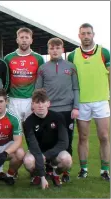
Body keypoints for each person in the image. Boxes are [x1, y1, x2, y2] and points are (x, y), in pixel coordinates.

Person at [67, 23, 110, 180]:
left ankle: (105, 170)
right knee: (83, 137)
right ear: (79, 36)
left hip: (101, 101)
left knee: (104, 136)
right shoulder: (72, 55)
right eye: (83, 33)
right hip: (82, 102)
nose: (86, 36)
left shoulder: (104, 52)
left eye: (88, 33)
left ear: (93, 34)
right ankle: (83, 169)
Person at [2, 27, 44, 179]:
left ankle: (36, 169)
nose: (24, 40)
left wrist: (36, 101)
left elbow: (40, 82)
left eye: (27, 37)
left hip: (30, 101)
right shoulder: (9, 58)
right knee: (14, 136)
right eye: (22, 37)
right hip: (13, 100)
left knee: (34, 135)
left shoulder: (38, 58)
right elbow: (6, 81)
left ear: (31, 40)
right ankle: (14, 170)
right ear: (17, 39)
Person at [35, 37, 79, 182]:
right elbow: (38, 90)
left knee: (67, 140)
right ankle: (48, 168)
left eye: (57, 48)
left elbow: (76, 88)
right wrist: (38, 106)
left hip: (67, 110)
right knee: (46, 139)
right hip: (49, 111)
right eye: (52, 48)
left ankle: (65, 171)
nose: (54, 51)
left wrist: (76, 107)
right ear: (48, 50)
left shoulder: (71, 67)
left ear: (62, 49)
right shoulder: (43, 68)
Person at [23, 89, 72, 188]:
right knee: (28, 161)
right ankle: (37, 175)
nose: (40, 106)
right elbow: (34, 147)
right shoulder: (28, 122)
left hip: (55, 152)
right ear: (32, 105)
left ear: (48, 103)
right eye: (37, 102)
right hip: (36, 152)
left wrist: (46, 155)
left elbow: (64, 143)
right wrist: (42, 177)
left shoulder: (58, 117)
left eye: (43, 102)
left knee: (67, 160)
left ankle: (55, 175)